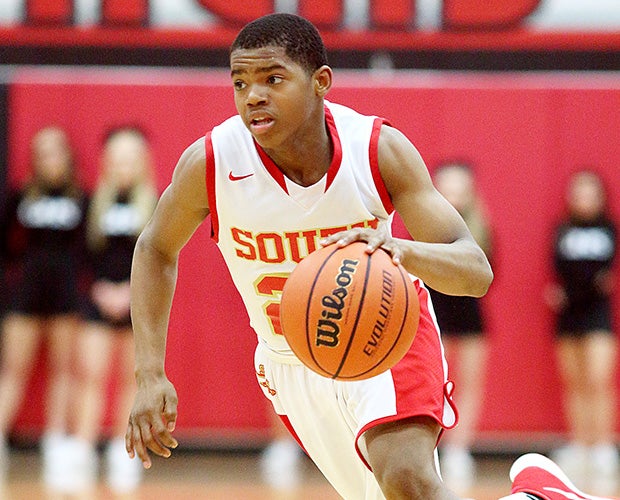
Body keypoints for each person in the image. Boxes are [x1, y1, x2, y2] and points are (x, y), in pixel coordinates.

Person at [123, 13, 615, 500]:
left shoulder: (376, 150)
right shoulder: (212, 160)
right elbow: (155, 248)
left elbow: (475, 271)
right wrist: (149, 373)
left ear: (321, 82)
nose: (253, 95)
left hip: (387, 332)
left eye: (273, 78)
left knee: (407, 481)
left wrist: (403, 251)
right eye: (239, 81)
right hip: (291, 360)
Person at [66, 127, 158, 493]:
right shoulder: (93, 203)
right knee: (90, 375)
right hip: (99, 298)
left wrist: (131, 292)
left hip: (139, 303)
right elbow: (81, 255)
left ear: (142, 162)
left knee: (130, 381)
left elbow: (160, 259)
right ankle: (82, 449)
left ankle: (125, 455)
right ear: (107, 162)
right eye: (117, 158)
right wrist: (100, 289)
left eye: (130, 158)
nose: (123, 166)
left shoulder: (156, 203)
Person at [394, 161, 493, 495]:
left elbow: (488, 274)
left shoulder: (479, 230)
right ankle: (428, 447)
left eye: (459, 187)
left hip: (468, 313)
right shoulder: (422, 226)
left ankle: (460, 448)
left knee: (470, 382)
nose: (452, 194)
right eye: (446, 186)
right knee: (430, 380)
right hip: (428, 308)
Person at [0, 126, 87, 488]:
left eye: (56, 151)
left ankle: (55, 442)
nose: (51, 159)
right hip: (26, 293)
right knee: (13, 370)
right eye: (43, 153)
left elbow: (89, 248)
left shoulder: (83, 198)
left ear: (67, 156)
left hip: (65, 293)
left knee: (63, 369)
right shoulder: (21, 195)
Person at [545, 169, 618, 496]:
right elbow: (558, 270)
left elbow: (606, 275)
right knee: (574, 382)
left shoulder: (609, 230)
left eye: (590, 192)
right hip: (568, 315)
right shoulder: (562, 230)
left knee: (598, 380)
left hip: (598, 314)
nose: (584, 198)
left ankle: (603, 445)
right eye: (579, 192)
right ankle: (580, 443)